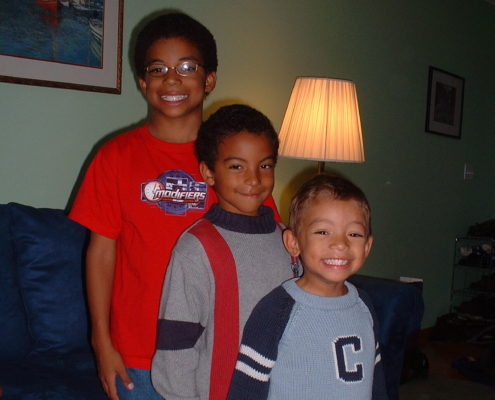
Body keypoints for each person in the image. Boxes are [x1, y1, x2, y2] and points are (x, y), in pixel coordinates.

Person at [69, 13, 279, 400]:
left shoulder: (236, 159)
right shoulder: (115, 157)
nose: (172, 79)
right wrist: (102, 342)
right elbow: (100, 253)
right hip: (138, 354)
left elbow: (268, 244)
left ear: (209, 79)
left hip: (219, 349)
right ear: (143, 82)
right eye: (158, 68)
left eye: (187, 67)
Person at [151, 104, 300, 400]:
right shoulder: (197, 249)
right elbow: (176, 348)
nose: (254, 179)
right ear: (208, 172)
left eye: (265, 165)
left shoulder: (289, 241)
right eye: (236, 166)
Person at [227, 174, 389, 400]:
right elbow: (246, 390)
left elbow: (376, 379)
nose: (340, 244)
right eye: (323, 232)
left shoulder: (364, 306)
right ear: (293, 243)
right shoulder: (275, 312)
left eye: (354, 234)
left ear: (367, 246)